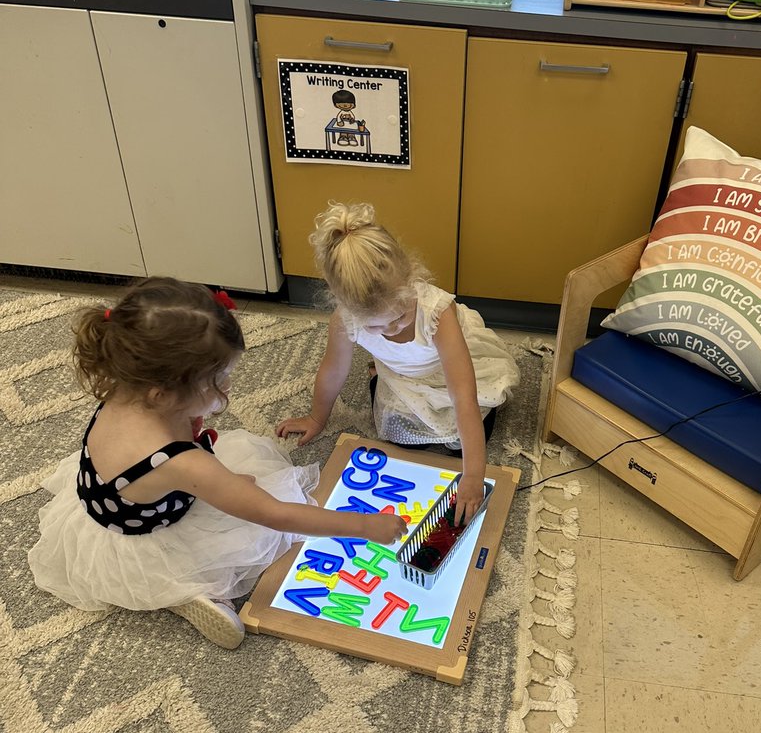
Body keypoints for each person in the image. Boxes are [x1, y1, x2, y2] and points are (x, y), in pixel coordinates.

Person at [27, 278, 406, 649]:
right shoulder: (181, 463)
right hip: (145, 534)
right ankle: (184, 591)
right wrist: (364, 525)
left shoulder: (127, 383)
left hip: (109, 491)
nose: (227, 390)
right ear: (163, 394)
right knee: (254, 526)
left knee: (239, 482)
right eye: (219, 382)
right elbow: (276, 515)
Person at [276, 203, 519, 525]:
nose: (391, 330)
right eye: (377, 327)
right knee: (394, 437)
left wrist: (473, 477)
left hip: (455, 368)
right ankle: (379, 374)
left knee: (466, 442)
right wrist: (316, 418)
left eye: (400, 316)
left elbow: (463, 394)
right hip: (404, 375)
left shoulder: (437, 312)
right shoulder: (344, 320)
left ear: (411, 276)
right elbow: (333, 371)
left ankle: (380, 375)